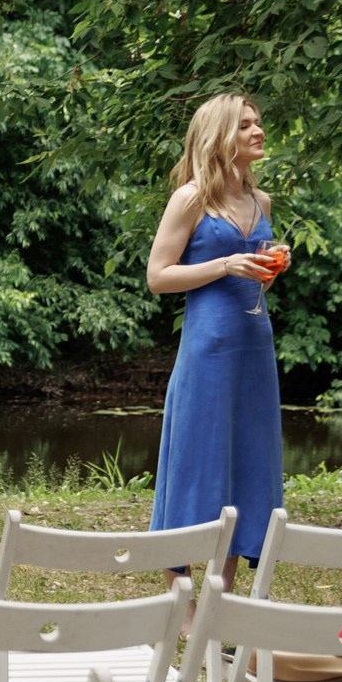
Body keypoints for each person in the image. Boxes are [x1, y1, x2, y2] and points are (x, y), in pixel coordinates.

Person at [146, 93, 283, 596]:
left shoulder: (261, 202)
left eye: (258, 122)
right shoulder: (190, 199)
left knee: (245, 464)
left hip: (255, 348)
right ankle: (180, 605)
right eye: (245, 124)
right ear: (220, 135)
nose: (257, 130)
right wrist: (225, 264)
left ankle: (219, 600)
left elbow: (253, 282)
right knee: (196, 463)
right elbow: (158, 276)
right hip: (208, 350)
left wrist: (268, 270)